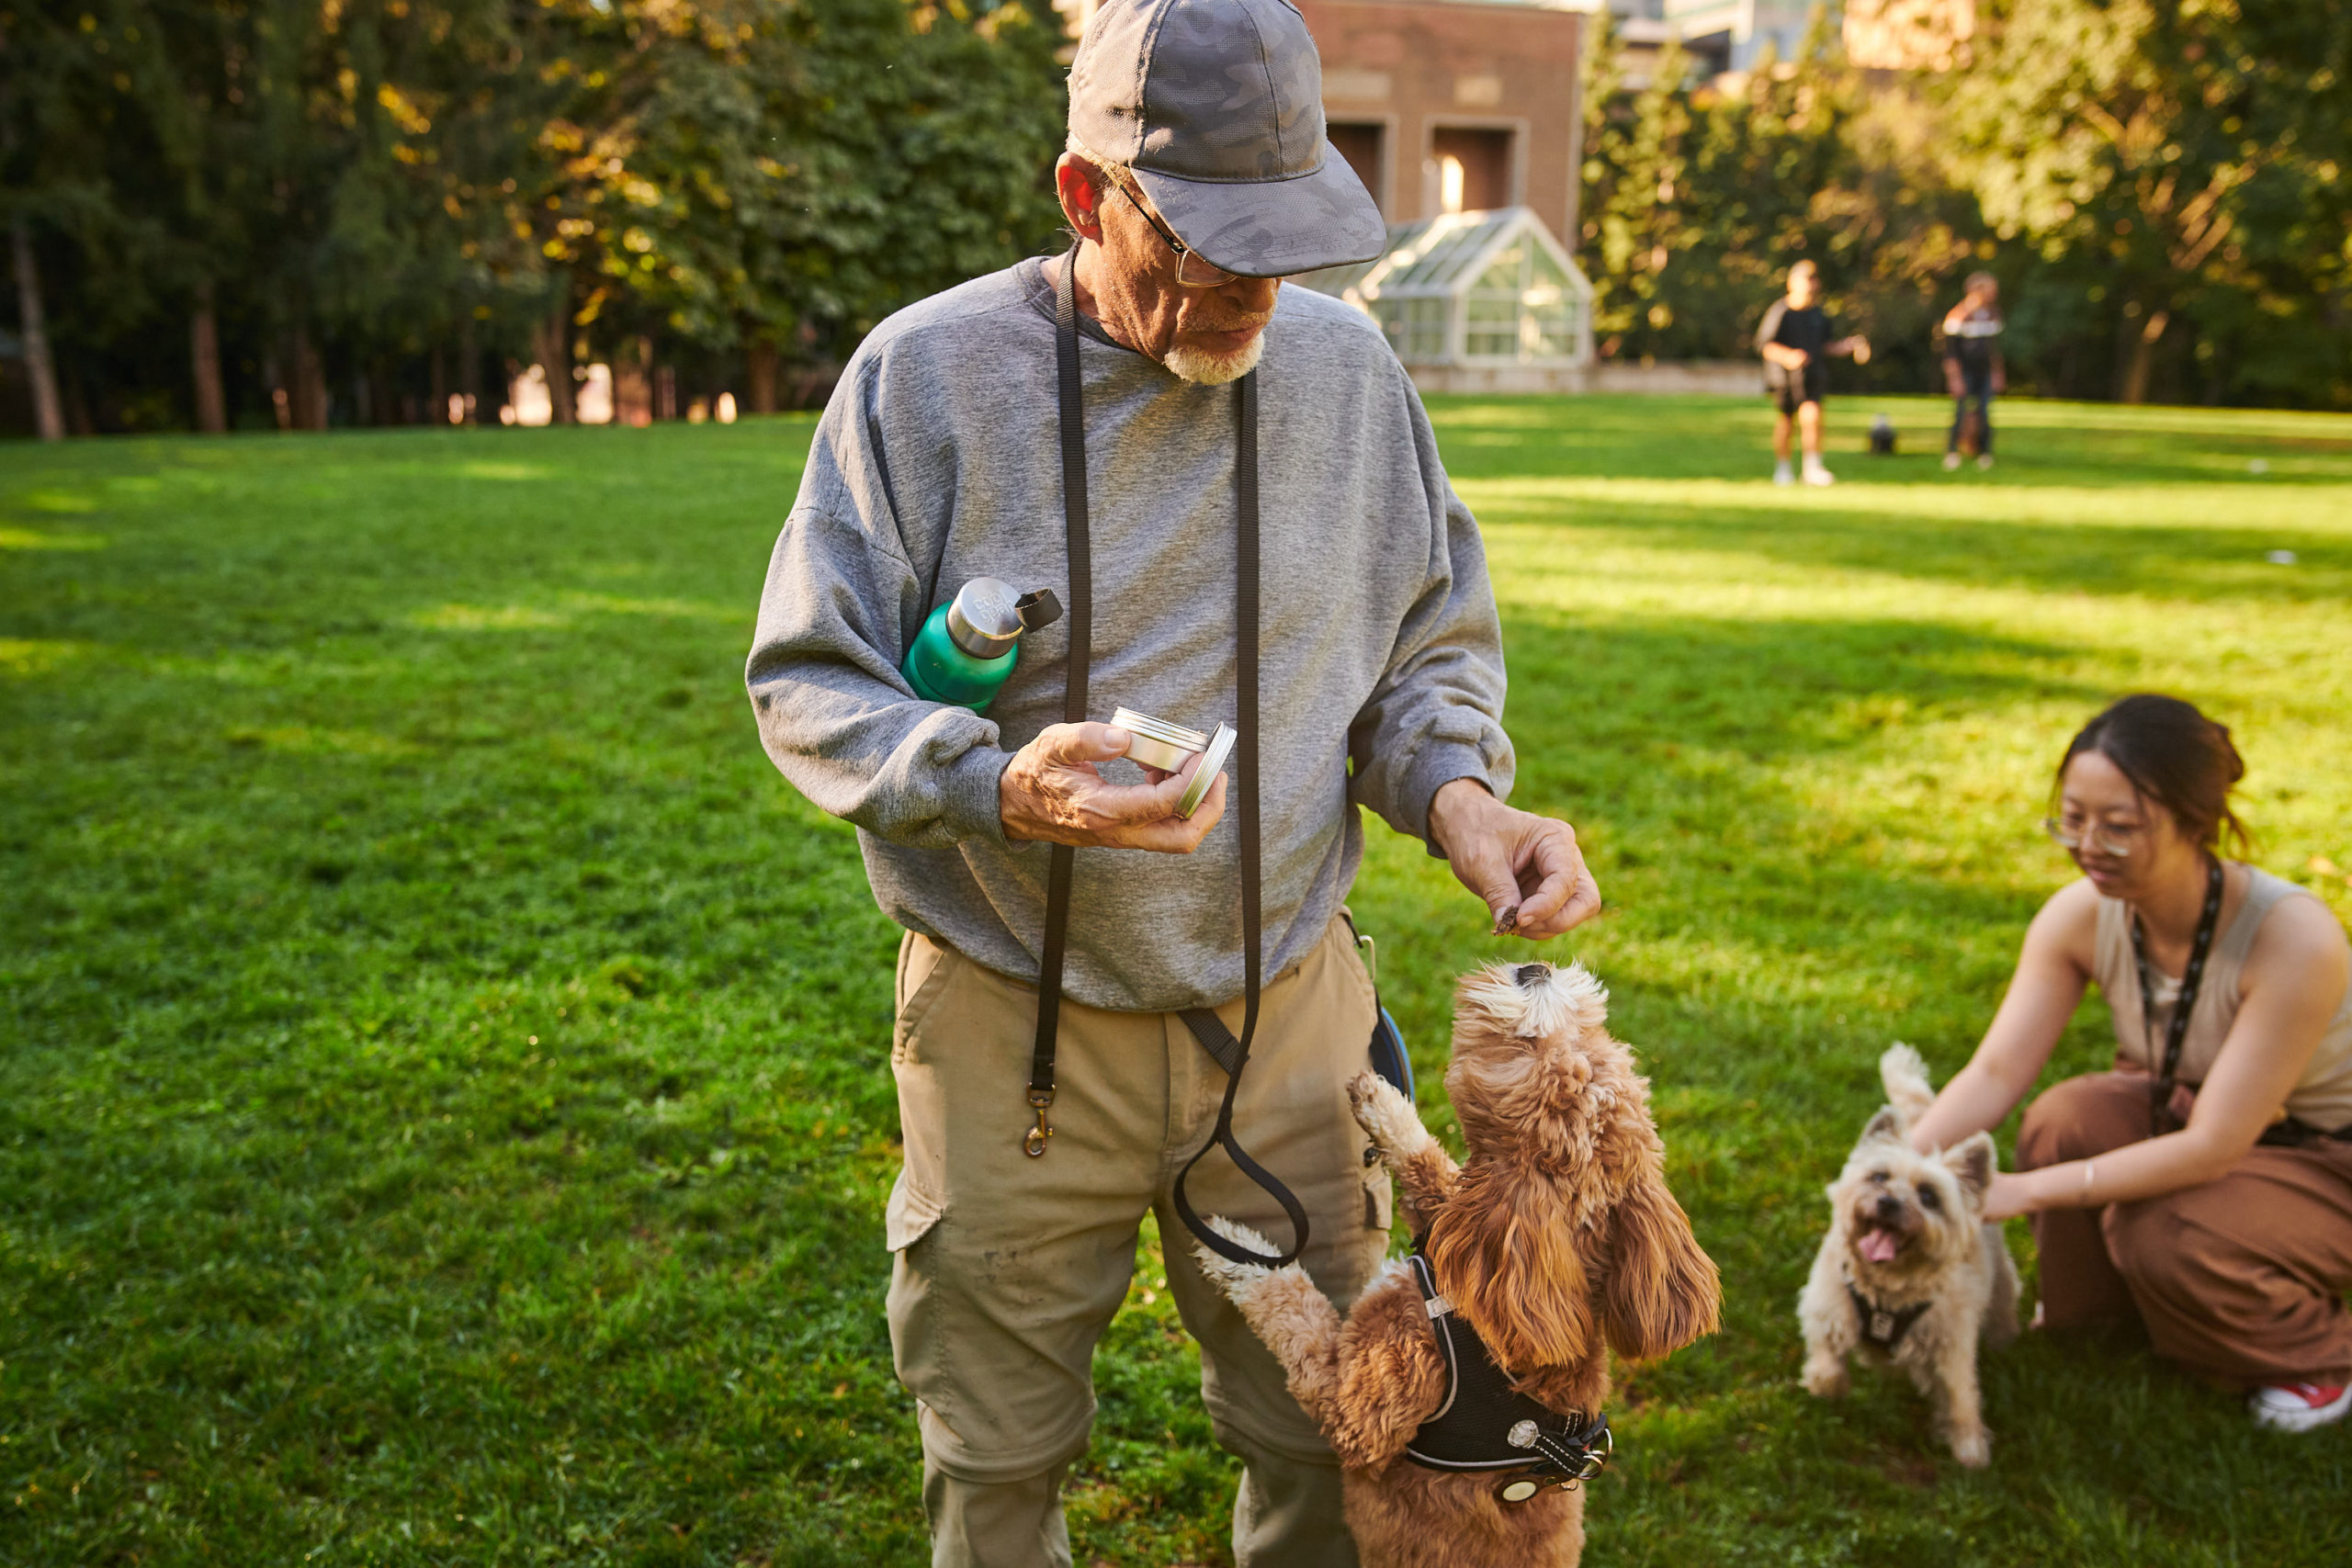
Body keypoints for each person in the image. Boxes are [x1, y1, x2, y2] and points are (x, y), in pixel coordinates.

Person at [743, 1, 1602, 1562]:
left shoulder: (1347, 377)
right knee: (995, 1466)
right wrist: (995, 783)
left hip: (1290, 1021)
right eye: (1212, 242)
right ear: (1085, 196)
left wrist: (1464, 794)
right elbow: (805, 680)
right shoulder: (922, 379)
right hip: (1015, 1028)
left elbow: (1424, 652)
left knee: (1347, 1448)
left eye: (1289, 240)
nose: (1259, 289)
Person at [1906, 695, 2352, 1433]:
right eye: (2072, 817)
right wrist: (1893, 1165)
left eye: (2120, 826)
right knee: (2061, 1120)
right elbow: (1993, 1074)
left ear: (2193, 821)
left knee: (2169, 1235)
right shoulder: (2081, 914)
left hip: (2327, 1155)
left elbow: (2215, 1143)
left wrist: (2019, 1192)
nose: (2088, 843)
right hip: (2196, 1110)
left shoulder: (2293, 937)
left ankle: (2315, 1353)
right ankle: (2095, 1323)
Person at [1756, 259, 1870, 487]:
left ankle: (1812, 467)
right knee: (1786, 422)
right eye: (1805, 279)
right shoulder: (1781, 312)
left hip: (1812, 374)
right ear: (1792, 282)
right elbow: (1764, 345)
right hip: (1784, 377)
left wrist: (1845, 347)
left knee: (1813, 417)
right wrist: (1788, 357)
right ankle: (1783, 468)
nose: (1810, 284)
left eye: (1813, 279)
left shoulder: (1819, 314)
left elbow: (1825, 345)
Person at [1939, 271, 2005, 471]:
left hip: (1984, 373)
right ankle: (1952, 452)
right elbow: (1950, 353)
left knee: (1985, 413)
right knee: (1960, 413)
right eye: (1990, 289)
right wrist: (1955, 378)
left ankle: (1985, 453)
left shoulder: (1992, 315)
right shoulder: (1957, 316)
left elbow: (1994, 349)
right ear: (1974, 290)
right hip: (1964, 372)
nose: (1994, 293)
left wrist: (1997, 373)